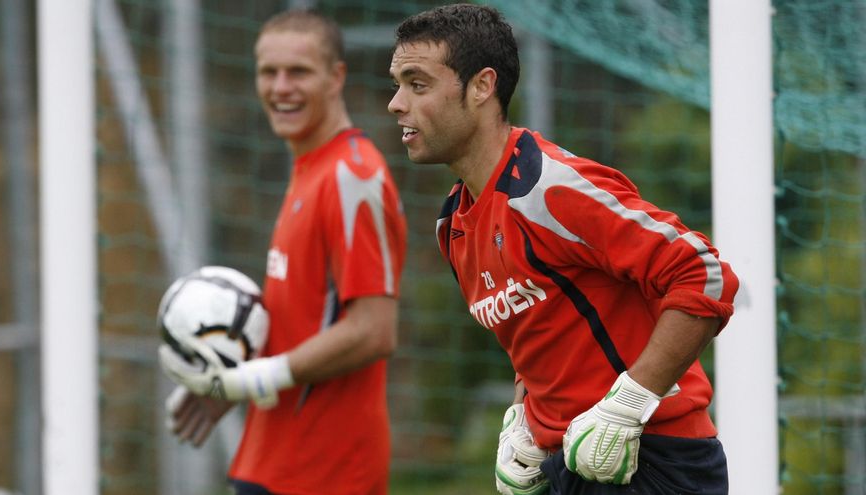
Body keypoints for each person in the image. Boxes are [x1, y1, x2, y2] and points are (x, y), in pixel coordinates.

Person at [388, 4, 738, 495]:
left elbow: (704, 273)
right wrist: (523, 419)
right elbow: (541, 325)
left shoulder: (551, 188)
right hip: (570, 463)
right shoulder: (453, 224)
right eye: (397, 84)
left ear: (482, 87)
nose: (396, 103)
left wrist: (629, 405)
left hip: (654, 462)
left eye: (417, 84)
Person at [159, 9, 407, 495]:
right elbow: (310, 316)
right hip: (270, 461)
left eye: (298, 72)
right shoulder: (310, 166)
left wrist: (253, 379)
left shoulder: (353, 176)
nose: (280, 87)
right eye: (268, 72)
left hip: (327, 473)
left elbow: (374, 329)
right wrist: (224, 367)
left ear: (336, 76)